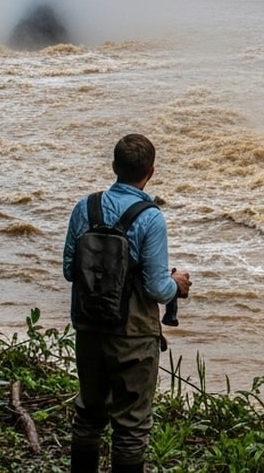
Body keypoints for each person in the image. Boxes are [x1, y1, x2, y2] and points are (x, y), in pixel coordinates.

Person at [63, 134, 191, 473]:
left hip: (89, 328)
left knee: (89, 414)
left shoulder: (84, 207)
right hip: (133, 335)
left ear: (113, 167)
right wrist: (176, 285)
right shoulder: (151, 218)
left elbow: (68, 270)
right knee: (131, 428)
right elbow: (155, 287)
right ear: (151, 171)